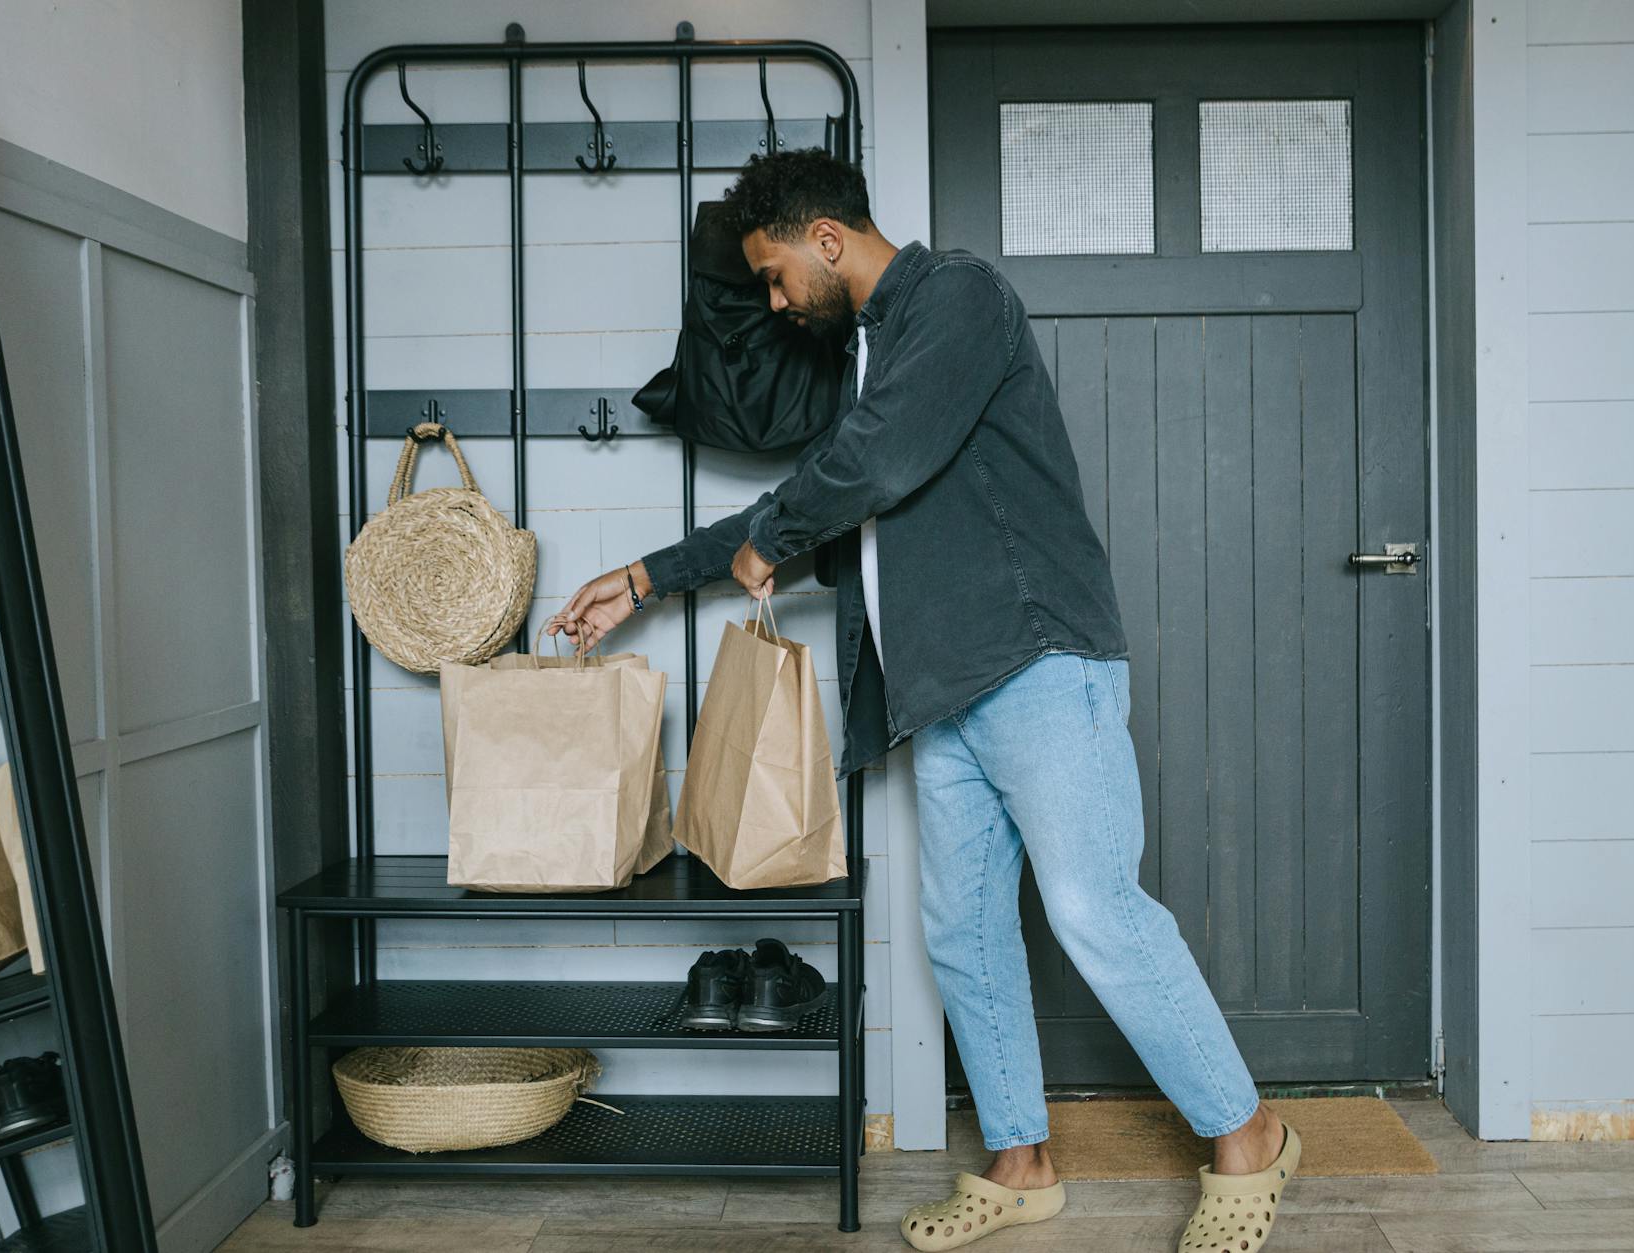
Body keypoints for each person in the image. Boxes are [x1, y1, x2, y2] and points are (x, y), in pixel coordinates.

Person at [548, 149, 1300, 1252]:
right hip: (940, 693)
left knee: (1094, 908)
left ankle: (1248, 1135)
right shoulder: (867, 355)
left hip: (1036, 661)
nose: (770, 299)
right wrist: (649, 574)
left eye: (771, 275)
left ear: (826, 241)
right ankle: (1019, 1160)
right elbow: (828, 486)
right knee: (963, 931)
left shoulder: (956, 297)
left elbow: (874, 461)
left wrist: (771, 535)